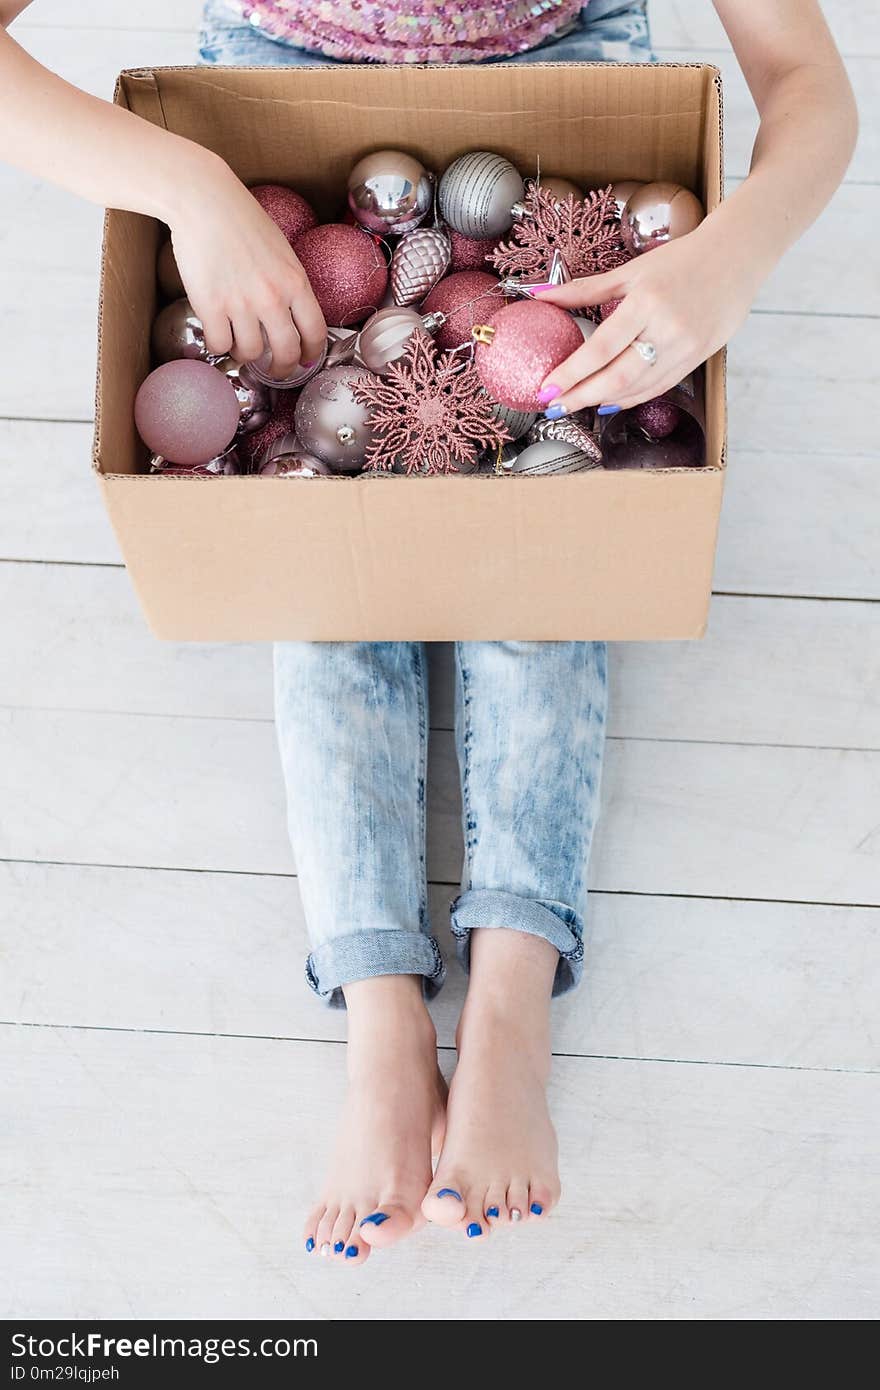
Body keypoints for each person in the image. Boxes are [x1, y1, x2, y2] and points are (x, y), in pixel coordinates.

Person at [0, 1, 857, 1267]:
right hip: (280, 79)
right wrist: (186, 183)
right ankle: (381, 1005)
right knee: (322, 554)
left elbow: (807, 81)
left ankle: (511, 989)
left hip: (557, 71)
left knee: (548, 504)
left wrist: (728, 254)